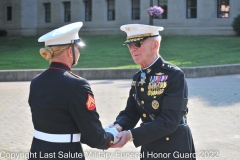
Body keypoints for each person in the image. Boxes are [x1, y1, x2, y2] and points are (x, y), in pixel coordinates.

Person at [28, 22, 118, 160]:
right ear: (70, 52)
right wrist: (111, 138)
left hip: (38, 151)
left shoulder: (36, 81)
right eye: (76, 47)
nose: (78, 52)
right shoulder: (77, 84)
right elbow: (93, 135)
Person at [110, 24, 196, 160]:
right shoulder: (138, 77)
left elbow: (170, 121)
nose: (132, 49)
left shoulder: (174, 75)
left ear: (155, 45)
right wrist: (117, 127)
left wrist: (131, 134)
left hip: (174, 147)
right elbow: (131, 112)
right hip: (149, 144)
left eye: (137, 44)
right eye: (129, 45)